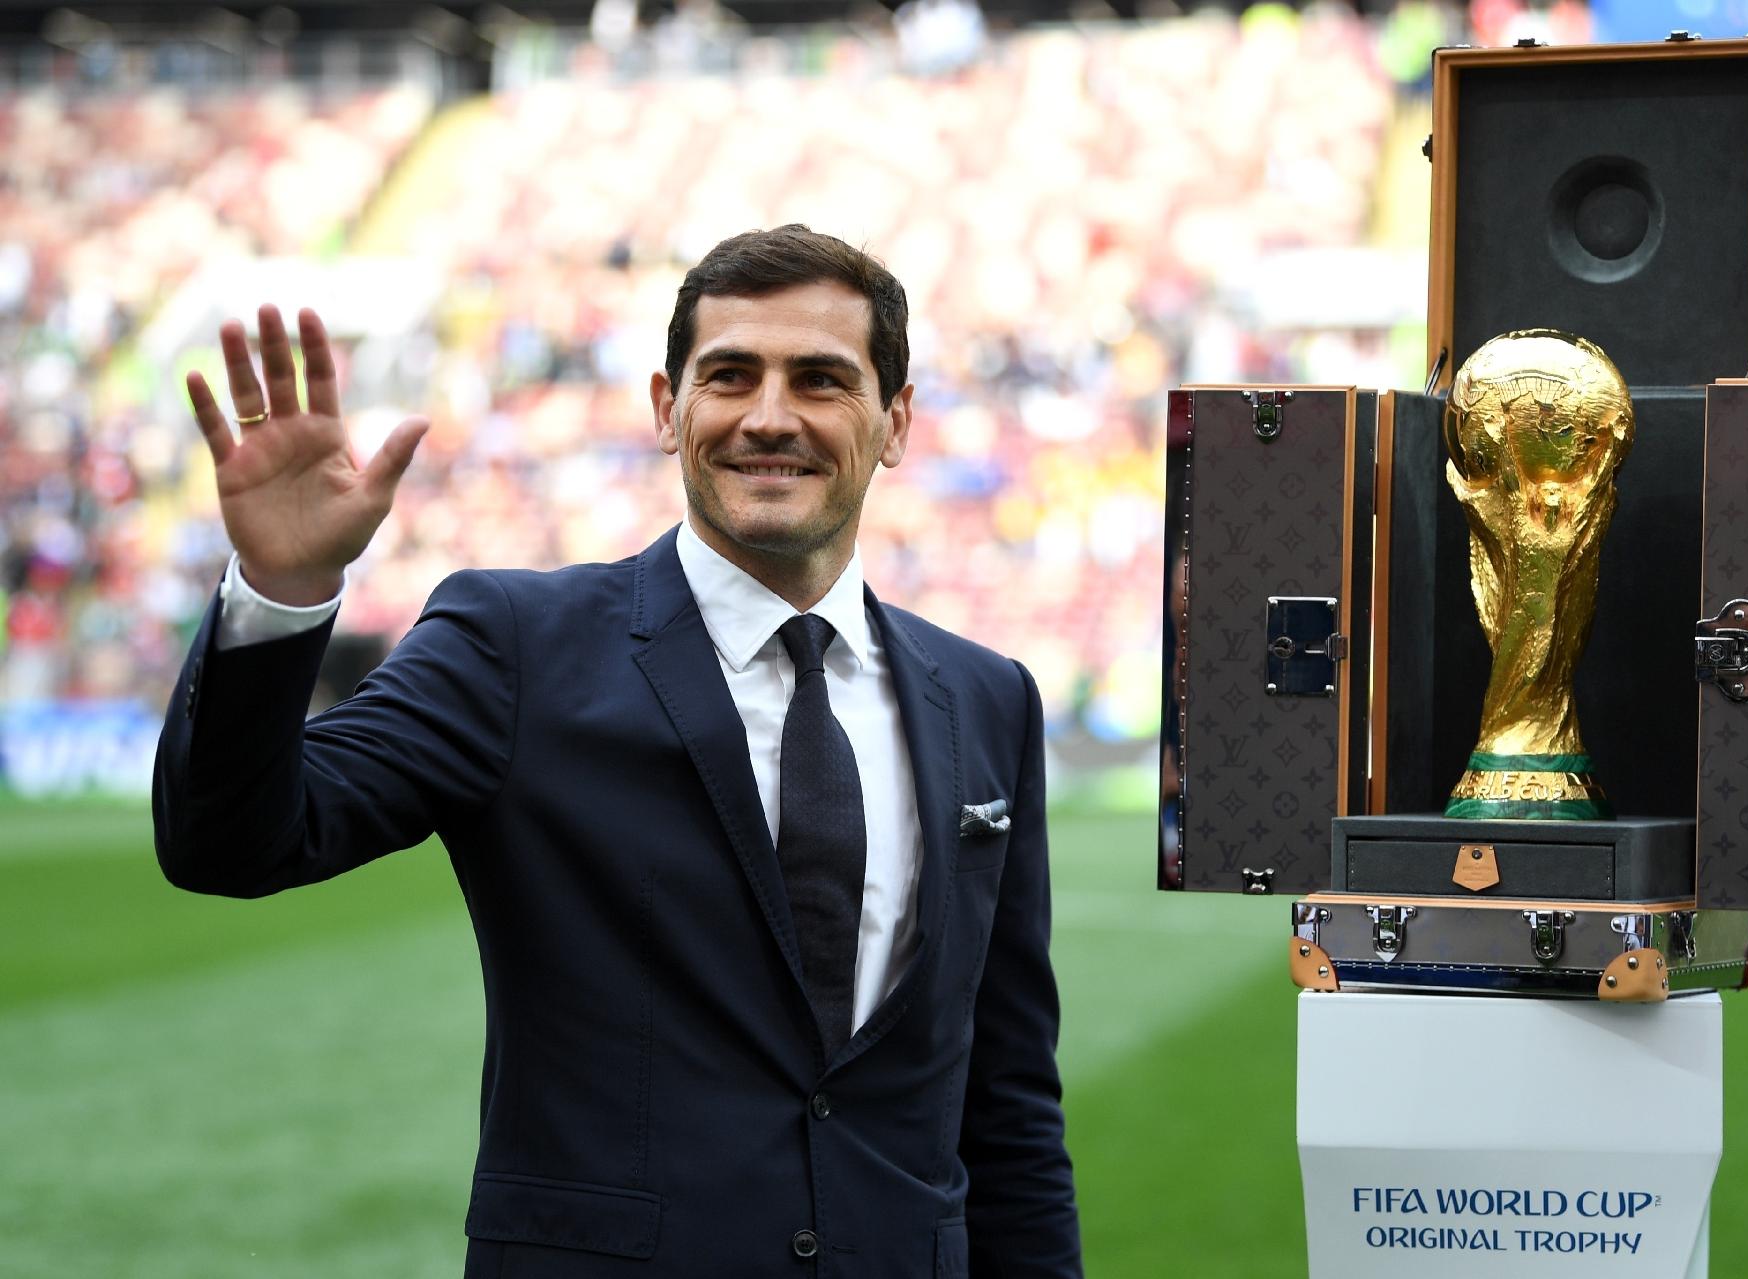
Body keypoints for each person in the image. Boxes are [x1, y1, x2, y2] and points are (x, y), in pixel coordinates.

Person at [153, 225, 1081, 1278]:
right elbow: (232, 843)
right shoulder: (516, 645)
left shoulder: (986, 697)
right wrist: (278, 594)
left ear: (897, 420)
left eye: (821, 380)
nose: (769, 416)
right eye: (730, 376)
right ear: (664, 407)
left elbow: (1007, 1107)